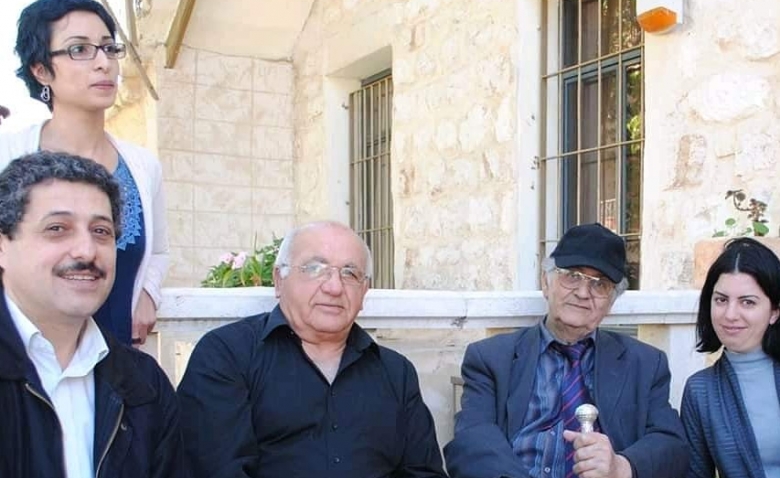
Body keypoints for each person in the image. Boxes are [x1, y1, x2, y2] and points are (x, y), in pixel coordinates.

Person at [178, 220, 447, 478]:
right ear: (279, 279)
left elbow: (423, 472)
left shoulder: (396, 373)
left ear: (364, 291)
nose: (334, 287)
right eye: (315, 268)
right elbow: (216, 470)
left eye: (350, 273)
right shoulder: (227, 356)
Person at [444, 222, 689, 478]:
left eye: (600, 284)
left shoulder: (645, 364)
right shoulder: (492, 359)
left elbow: (672, 446)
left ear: (611, 302)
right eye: (572, 276)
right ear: (546, 282)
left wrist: (621, 466)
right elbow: (472, 441)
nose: (583, 292)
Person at [0, 151, 186, 477]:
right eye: (57, 228)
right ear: (3, 247)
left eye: (101, 231)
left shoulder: (144, 386)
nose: (87, 251)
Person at [1, 0, 169, 346]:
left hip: (117, 357)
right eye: (79, 49)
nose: (103, 63)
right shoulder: (8, 155)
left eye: (109, 48)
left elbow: (158, 252)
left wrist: (148, 293)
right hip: (20, 356)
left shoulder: (143, 166)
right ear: (41, 70)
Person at [681, 237, 780, 478]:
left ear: (774, 312)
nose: (730, 314)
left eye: (748, 302)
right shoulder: (700, 391)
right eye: (721, 300)